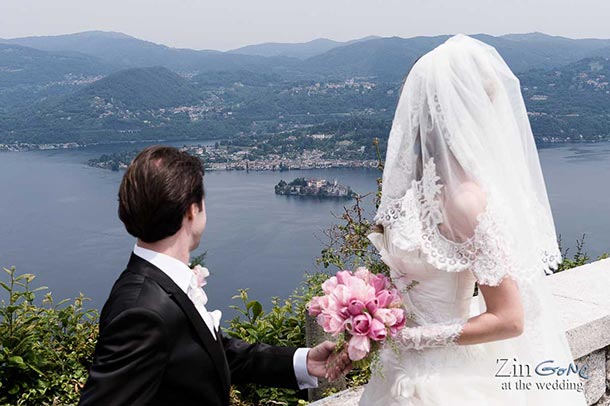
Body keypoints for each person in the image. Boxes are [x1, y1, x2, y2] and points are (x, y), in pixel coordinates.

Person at [359, 34, 587, 405]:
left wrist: (414, 338)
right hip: (397, 366)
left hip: (445, 377)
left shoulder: (467, 202)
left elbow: (510, 319)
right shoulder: (419, 188)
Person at [78, 146, 350, 406]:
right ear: (191, 210)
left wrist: (304, 362)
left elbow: (213, 353)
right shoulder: (142, 310)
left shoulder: (161, 285)